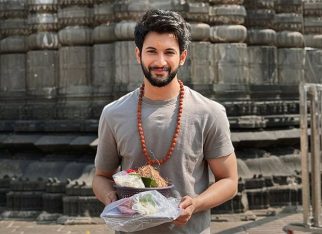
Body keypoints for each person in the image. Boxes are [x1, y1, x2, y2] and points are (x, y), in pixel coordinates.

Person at [92, 9, 238, 234]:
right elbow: (101, 177)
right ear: (138, 54)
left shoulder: (210, 112)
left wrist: (196, 203)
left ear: (182, 57)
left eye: (169, 52)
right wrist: (113, 199)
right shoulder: (114, 113)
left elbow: (229, 180)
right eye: (152, 51)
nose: (160, 61)